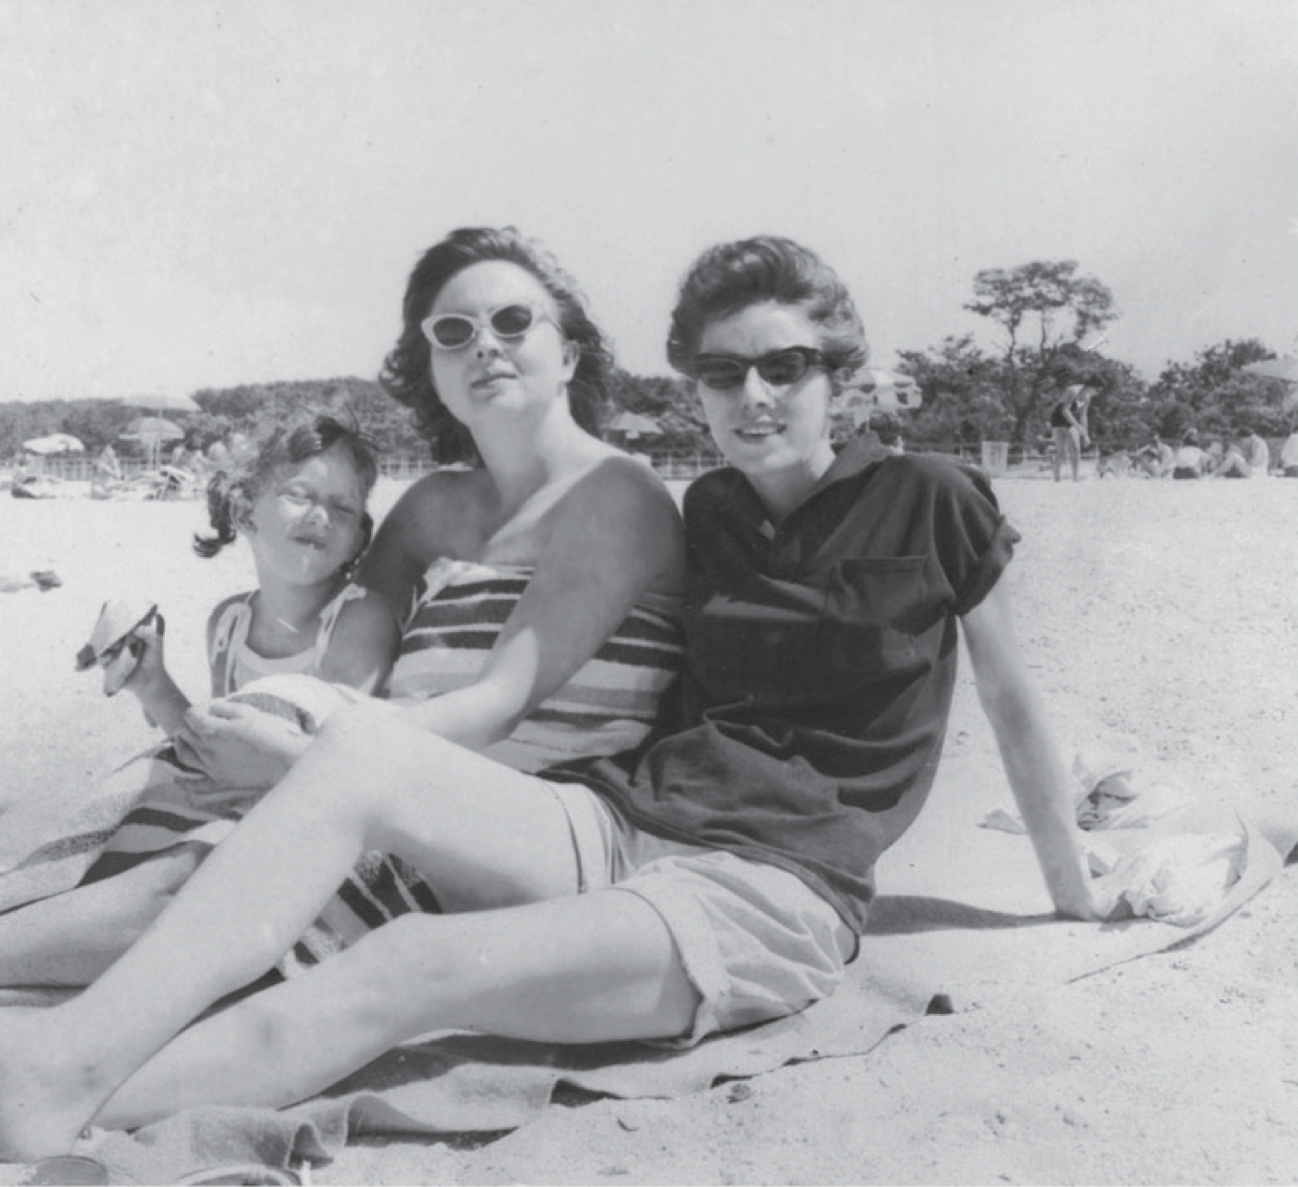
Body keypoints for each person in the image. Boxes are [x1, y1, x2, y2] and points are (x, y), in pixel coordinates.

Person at [0, 235, 1110, 1159]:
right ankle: (63, 1058)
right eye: (722, 374)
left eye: (786, 366)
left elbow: (1011, 702)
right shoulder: (711, 509)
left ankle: (61, 1083)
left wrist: (1073, 891)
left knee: (410, 967)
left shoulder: (930, 497)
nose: (753, 395)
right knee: (356, 759)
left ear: (841, 374)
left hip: (772, 883)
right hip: (621, 814)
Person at [0, 226, 683, 992]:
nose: (485, 345)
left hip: (519, 824)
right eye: (453, 332)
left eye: (514, 322)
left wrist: (313, 759)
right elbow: (328, 627)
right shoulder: (431, 508)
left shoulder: (615, 493)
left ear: (569, 355)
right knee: (174, 838)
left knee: (198, 876)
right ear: (432, 367)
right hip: (381, 781)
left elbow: (495, 704)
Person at [101, 413, 398, 736]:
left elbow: (333, 761)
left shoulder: (360, 620)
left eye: (343, 508)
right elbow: (218, 749)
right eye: (299, 495)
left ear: (356, 540)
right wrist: (154, 687)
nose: (321, 517)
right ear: (243, 513)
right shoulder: (229, 624)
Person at [1049, 383, 1093, 482]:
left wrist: (1085, 435)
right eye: (1096, 389)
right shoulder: (1073, 391)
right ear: (1089, 387)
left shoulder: (1087, 397)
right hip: (1058, 419)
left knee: (1076, 448)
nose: (1096, 393)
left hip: (1070, 421)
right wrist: (1078, 427)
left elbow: (1083, 416)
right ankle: (1056, 479)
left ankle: (1075, 478)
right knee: (1062, 451)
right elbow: (1064, 411)